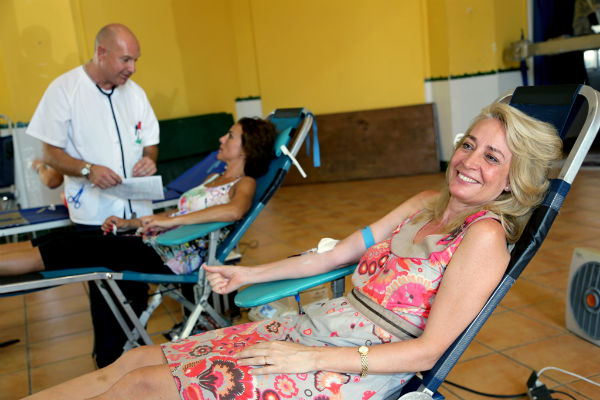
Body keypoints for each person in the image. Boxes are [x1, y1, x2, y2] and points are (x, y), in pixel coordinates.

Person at [21, 102, 563, 400]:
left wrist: (309, 359)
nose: (470, 159)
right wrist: (249, 274)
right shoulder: (426, 202)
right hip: (318, 326)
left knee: (144, 387)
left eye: (493, 157)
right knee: (137, 359)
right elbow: (333, 256)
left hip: (360, 366)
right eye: (469, 143)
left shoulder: (484, 236)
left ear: (514, 182)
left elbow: (427, 354)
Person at [24, 23, 160, 366]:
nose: (132, 68)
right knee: (108, 300)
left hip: (137, 216)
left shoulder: (136, 93)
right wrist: (88, 170)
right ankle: (110, 363)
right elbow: (51, 155)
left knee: (137, 294)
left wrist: (149, 160)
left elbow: (151, 141)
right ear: (101, 53)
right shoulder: (65, 90)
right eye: (126, 59)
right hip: (95, 218)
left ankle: (136, 361)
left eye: (136, 60)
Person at [0, 117, 276, 276]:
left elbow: (233, 212)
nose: (222, 139)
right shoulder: (213, 178)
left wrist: (167, 224)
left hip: (174, 257)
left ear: (246, 148)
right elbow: (176, 216)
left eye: (230, 136)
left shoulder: (245, 183)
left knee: (68, 249)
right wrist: (132, 223)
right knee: (64, 238)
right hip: (157, 241)